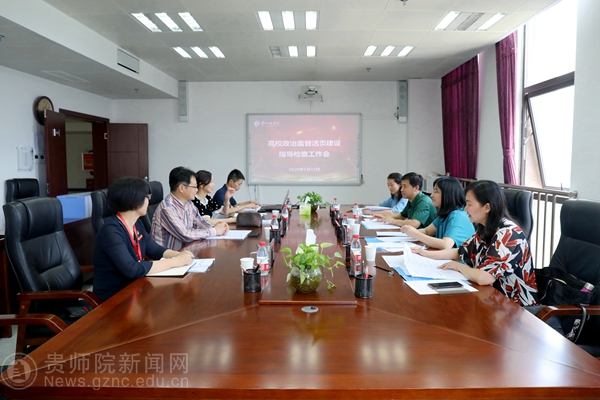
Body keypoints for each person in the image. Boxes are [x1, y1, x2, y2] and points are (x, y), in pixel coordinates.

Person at [412, 180, 538, 307]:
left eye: (469, 204)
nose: (465, 209)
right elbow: (460, 252)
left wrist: (458, 266)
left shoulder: (509, 234)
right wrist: (425, 254)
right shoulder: (485, 228)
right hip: (488, 297)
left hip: (514, 306)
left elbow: (484, 277)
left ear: (487, 207)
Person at [93, 176, 194, 301]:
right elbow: (132, 269)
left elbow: (154, 249)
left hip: (136, 288)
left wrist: (178, 254)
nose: (148, 201)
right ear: (134, 200)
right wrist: (174, 262)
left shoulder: (136, 223)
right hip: (115, 297)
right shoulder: (111, 231)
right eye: (147, 197)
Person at [152, 167, 229, 249]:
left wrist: (216, 227)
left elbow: (200, 222)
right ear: (182, 188)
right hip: (170, 255)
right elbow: (186, 234)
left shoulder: (188, 203)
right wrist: (215, 231)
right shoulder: (168, 208)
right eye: (194, 187)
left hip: (186, 251)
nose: (196, 190)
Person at [401, 176, 474, 249]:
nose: (431, 195)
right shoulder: (445, 214)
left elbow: (445, 245)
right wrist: (409, 231)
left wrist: (416, 234)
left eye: (436, 192)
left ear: (447, 195)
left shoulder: (457, 215)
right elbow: (427, 231)